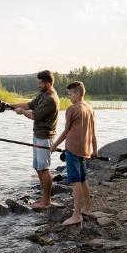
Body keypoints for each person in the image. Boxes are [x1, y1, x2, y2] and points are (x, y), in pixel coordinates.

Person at [11, 70, 60, 209]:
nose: (38, 85)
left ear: (48, 84)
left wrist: (22, 112)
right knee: (39, 168)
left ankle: (46, 202)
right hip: (38, 136)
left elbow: (34, 115)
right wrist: (9, 105)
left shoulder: (51, 99)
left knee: (44, 169)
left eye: (40, 83)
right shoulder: (43, 94)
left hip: (45, 138)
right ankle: (43, 199)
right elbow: (29, 105)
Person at [51, 81, 97, 226]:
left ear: (77, 93)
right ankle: (87, 208)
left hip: (72, 149)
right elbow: (93, 133)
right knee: (83, 179)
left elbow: (66, 131)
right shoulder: (90, 108)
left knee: (75, 182)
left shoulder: (72, 109)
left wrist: (54, 145)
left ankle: (76, 215)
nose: (69, 97)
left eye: (70, 94)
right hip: (85, 150)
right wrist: (95, 150)